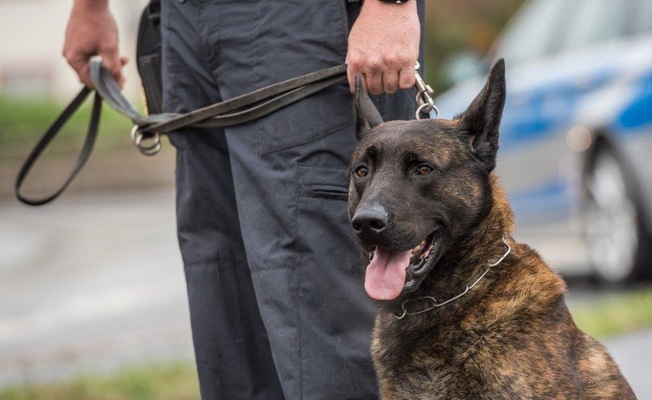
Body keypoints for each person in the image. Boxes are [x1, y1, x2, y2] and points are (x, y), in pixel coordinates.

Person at [62, 0, 424, 398]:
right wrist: (91, 7)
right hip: (183, 21)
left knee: (325, 311)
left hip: (301, 23)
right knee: (222, 289)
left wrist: (391, 5)